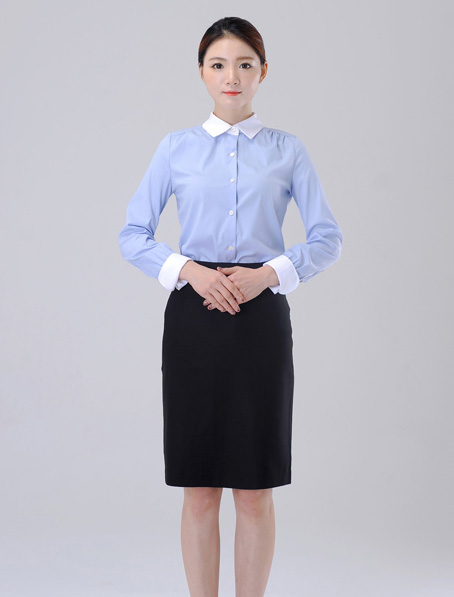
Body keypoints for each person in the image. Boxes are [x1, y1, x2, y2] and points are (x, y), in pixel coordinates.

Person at [118, 16, 342, 597]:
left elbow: (327, 239)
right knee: (199, 489)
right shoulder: (176, 148)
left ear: (263, 72)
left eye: (245, 64)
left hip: (260, 321)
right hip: (193, 321)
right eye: (218, 65)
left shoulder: (287, 150)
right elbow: (133, 235)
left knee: (254, 488)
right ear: (202, 73)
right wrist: (190, 272)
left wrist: (267, 275)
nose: (232, 76)